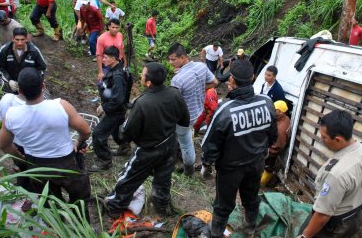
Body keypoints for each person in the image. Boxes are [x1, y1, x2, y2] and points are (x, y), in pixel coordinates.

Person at [0, 68, 92, 219]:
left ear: (19, 90)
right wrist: (78, 141)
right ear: (43, 85)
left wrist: (21, 158)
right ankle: (80, 227)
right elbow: (86, 131)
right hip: (66, 163)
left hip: (36, 166)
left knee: (50, 204)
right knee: (79, 199)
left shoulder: (11, 115)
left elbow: (3, 145)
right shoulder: (60, 106)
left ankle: (58, 228)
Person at [201, 60, 277, 238]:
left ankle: (216, 233)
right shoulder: (267, 102)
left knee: (223, 204)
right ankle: (249, 229)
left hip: (230, 169)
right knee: (251, 198)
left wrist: (206, 164)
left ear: (232, 80)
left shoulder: (225, 109)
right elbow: (273, 135)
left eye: (229, 79)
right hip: (256, 163)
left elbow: (210, 144)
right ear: (252, 77)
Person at [104, 62, 189, 218]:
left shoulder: (142, 103)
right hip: (170, 144)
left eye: (142, 75)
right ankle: (161, 210)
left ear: (148, 82)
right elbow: (184, 119)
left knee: (130, 177)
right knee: (163, 179)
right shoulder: (175, 93)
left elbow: (127, 132)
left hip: (148, 149)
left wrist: (125, 136)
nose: (141, 77)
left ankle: (114, 206)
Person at [297, 109, 362, 238]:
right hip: (355, 217)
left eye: (324, 137)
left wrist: (305, 236)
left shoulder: (336, 173)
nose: (321, 140)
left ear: (337, 139)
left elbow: (323, 215)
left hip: (334, 225)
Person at [168, 43, 218, 176]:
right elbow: (214, 83)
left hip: (184, 117)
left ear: (183, 58)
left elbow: (174, 103)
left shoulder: (177, 80)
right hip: (197, 110)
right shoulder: (201, 66)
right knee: (185, 136)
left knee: (184, 141)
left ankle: (188, 170)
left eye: (173, 59)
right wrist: (200, 88)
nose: (170, 62)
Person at [90, 46, 131, 172]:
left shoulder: (118, 76)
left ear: (113, 59)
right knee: (115, 131)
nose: (103, 60)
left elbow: (118, 99)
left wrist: (104, 107)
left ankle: (105, 161)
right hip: (117, 108)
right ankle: (124, 148)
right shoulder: (116, 69)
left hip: (115, 110)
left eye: (106, 58)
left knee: (98, 134)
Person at [0, 28, 47, 92]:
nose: (20, 43)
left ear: (26, 39)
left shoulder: (34, 51)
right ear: (13, 39)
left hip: (28, 84)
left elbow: (42, 68)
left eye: (22, 39)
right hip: (10, 83)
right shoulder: (5, 50)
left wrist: (35, 81)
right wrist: (9, 80)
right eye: (17, 39)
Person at [0, 90, 28, 189]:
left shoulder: (6, 99)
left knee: (23, 169)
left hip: (13, 143)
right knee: (31, 173)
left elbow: (3, 144)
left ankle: (21, 190)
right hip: (29, 146)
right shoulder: (35, 107)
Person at [261, 100, 290, 186]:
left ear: (281, 112)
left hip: (272, 151)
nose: (273, 111)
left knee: (268, 166)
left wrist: (265, 152)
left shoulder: (280, 130)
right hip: (271, 146)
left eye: (275, 110)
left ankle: (262, 183)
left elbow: (278, 147)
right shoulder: (286, 118)